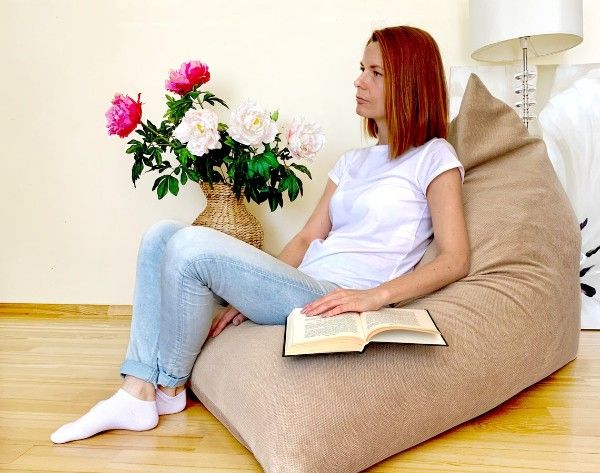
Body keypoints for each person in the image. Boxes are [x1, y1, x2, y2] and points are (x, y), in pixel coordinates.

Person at [50, 25, 469, 444]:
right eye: (362, 68)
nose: (359, 81)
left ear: (410, 83)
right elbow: (306, 238)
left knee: (192, 246)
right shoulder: (353, 162)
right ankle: (141, 385)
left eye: (376, 73)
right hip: (303, 284)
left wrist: (374, 297)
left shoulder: (434, 157)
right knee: (161, 235)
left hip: (336, 295)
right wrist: (251, 292)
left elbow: (455, 258)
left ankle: (165, 387)